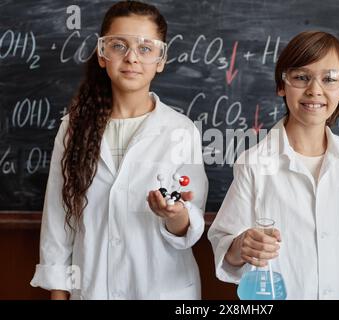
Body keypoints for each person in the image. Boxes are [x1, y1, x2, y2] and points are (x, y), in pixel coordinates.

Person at [30, 1, 208, 300]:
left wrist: (173, 214)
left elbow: (189, 225)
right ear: (102, 54)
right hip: (93, 288)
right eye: (118, 46)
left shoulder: (181, 131)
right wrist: (59, 295)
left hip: (162, 290)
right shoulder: (74, 127)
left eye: (146, 48)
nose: (131, 58)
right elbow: (58, 222)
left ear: (161, 60)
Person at [208, 31, 339, 300]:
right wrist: (242, 246)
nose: (315, 89)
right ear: (282, 86)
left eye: (329, 79)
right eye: (301, 77)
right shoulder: (254, 165)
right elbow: (227, 250)